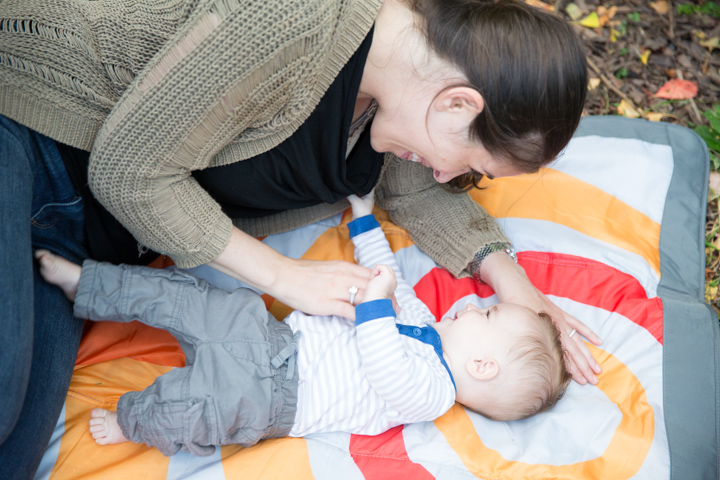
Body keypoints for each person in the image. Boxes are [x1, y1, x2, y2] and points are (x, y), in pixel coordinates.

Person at [0, 0, 600, 475]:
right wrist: (286, 279)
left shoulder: (398, 98)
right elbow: (129, 171)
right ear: (457, 103)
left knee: (19, 446)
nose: (448, 176)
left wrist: (516, 291)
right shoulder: (291, 20)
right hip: (30, 139)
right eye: (467, 161)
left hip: (93, 234)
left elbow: (416, 191)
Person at [34, 193, 571, 456]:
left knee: (190, 410)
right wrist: (363, 220)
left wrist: (377, 302)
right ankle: (93, 286)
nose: (475, 305)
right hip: (270, 337)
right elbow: (392, 278)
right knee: (188, 297)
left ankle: (134, 421)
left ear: (481, 365)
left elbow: (383, 364)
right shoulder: (425, 321)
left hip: (269, 397)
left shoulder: (431, 393)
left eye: (489, 313)